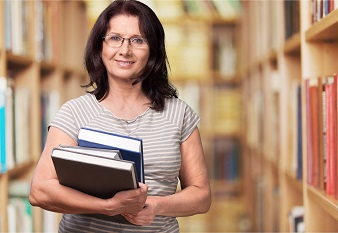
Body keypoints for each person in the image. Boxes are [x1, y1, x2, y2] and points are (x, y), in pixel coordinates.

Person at [29, 0, 211, 232]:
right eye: (115, 38)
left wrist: (156, 205)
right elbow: (40, 191)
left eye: (138, 40)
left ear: (153, 50)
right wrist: (107, 206)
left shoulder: (179, 113)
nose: (124, 50)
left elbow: (202, 196)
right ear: (100, 47)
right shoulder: (74, 113)